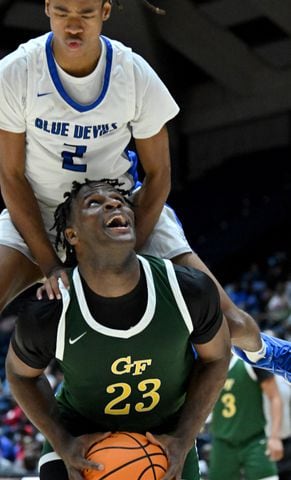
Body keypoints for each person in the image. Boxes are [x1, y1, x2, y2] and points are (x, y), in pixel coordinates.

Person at [0, 0, 289, 382]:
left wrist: (120, 256)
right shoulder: (16, 72)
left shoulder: (133, 74)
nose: (73, 26)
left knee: (232, 322)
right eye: (63, 12)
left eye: (85, 13)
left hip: (117, 214)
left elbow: (159, 174)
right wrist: (50, 264)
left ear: (105, 11)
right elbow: (11, 176)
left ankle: (266, 352)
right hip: (39, 210)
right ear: (48, 8)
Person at [5, 180, 231, 480]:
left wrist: (185, 436)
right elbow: (20, 374)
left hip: (166, 439)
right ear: (72, 235)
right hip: (81, 441)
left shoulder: (187, 289)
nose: (114, 204)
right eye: (94, 203)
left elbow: (217, 357)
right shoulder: (50, 310)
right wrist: (62, 441)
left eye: (120, 200)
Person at [208, 354, 284, 480]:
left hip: (254, 441)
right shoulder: (207, 365)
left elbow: (275, 397)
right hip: (222, 443)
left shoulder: (252, 360)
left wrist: (275, 437)